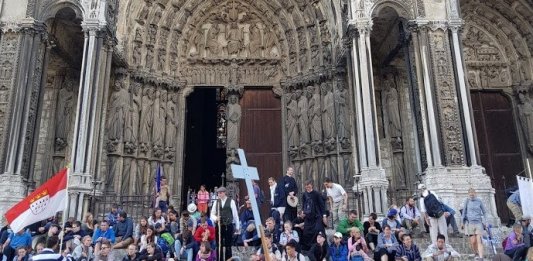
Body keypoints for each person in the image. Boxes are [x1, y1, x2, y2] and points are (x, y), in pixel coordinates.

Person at [210, 186, 240, 260]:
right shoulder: (216, 202)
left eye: (220, 193)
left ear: (224, 193)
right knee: (218, 245)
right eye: (218, 193)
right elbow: (212, 214)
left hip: (228, 225)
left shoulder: (231, 201)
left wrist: (237, 227)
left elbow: (235, 214)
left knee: (228, 245)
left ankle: (228, 259)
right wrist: (216, 218)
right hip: (219, 226)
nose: (219, 194)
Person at [301, 180, 327, 251]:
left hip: (317, 216)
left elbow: (322, 205)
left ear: (311, 185)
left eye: (308, 185)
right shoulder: (304, 194)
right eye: (306, 185)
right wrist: (303, 212)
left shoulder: (317, 194)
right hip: (308, 216)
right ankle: (309, 249)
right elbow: (303, 205)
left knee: (318, 230)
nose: (307, 187)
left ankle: (319, 247)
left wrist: (324, 216)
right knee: (306, 232)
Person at [461, 188, 487, 260]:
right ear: (468, 194)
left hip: (478, 223)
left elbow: (484, 212)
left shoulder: (479, 201)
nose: (471, 195)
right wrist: (462, 222)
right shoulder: (467, 201)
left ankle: (481, 257)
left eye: (473, 193)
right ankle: (476, 253)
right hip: (470, 223)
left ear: (475, 193)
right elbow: (463, 212)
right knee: (473, 241)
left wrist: (485, 221)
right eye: (470, 194)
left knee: (479, 240)